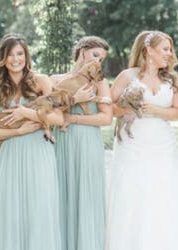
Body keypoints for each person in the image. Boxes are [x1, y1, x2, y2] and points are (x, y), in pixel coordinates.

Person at [105, 30, 178, 250]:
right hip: (133, 144)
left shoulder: (172, 79)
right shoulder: (127, 76)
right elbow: (109, 108)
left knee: (165, 193)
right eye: (165, 49)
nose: (169, 54)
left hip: (162, 144)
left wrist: (154, 109)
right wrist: (127, 108)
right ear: (149, 50)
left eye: (170, 49)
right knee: (133, 192)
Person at [0, 33, 63, 249]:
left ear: (27, 57)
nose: (15, 59)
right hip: (11, 156)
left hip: (39, 154)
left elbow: (58, 118)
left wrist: (26, 113)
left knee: (39, 209)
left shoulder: (42, 82)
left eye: (20, 54)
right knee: (10, 211)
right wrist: (18, 132)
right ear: (3, 59)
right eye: (10, 55)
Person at [50, 36, 113, 250]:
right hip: (61, 142)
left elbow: (106, 118)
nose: (98, 61)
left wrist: (73, 118)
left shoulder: (100, 82)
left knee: (87, 196)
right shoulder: (56, 80)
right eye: (95, 55)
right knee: (60, 194)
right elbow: (47, 111)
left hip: (88, 144)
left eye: (102, 59)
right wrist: (74, 100)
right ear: (82, 51)